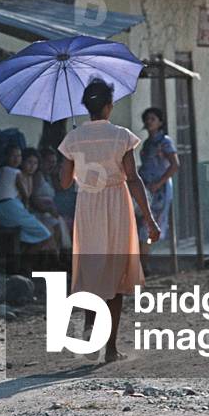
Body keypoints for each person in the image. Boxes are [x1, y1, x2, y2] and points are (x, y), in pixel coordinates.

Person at [58, 79, 160, 363]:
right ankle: (111, 348)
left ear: (86, 107)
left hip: (88, 207)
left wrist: (70, 153)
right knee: (116, 277)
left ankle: (91, 336)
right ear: (107, 106)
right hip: (117, 205)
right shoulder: (122, 136)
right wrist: (150, 220)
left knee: (92, 273)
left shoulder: (72, 139)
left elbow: (65, 183)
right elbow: (133, 179)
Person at [0, 144, 55, 254]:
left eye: (19, 156)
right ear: (6, 157)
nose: (16, 159)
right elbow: (26, 194)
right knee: (46, 235)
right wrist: (29, 179)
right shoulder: (17, 173)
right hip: (11, 208)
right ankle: (25, 260)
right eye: (13, 156)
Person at [137, 107, 179, 255]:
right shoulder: (148, 143)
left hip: (159, 190)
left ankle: (144, 261)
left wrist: (158, 184)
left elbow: (175, 165)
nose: (149, 122)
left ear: (160, 122)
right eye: (147, 119)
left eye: (153, 119)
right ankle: (142, 260)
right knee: (141, 223)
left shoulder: (164, 142)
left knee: (149, 225)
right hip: (146, 187)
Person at [18, 148, 71, 252]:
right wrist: (48, 209)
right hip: (39, 213)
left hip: (48, 213)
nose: (52, 165)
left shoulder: (49, 178)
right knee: (53, 229)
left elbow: (62, 187)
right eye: (49, 162)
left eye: (54, 162)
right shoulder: (37, 176)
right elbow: (33, 197)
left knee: (59, 228)